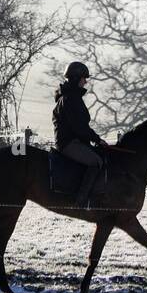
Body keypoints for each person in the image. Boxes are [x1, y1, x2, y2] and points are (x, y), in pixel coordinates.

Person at [52, 61, 105, 208]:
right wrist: (97, 139)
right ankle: (80, 201)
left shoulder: (71, 97)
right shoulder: (70, 99)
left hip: (74, 140)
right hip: (69, 143)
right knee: (96, 162)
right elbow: (79, 127)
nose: (85, 81)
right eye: (83, 78)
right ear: (76, 78)